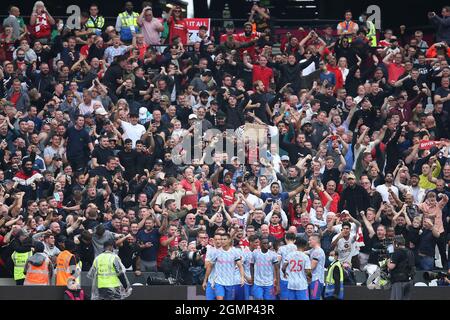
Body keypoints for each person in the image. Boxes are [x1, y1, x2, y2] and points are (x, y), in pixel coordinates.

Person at [203, 233, 244, 300]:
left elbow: (240, 266)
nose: (222, 241)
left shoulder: (235, 252)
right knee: (219, 298)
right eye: (221, 239)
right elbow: (209, 267)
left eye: (224, 239)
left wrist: (242, 278)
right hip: (219, 282)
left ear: (229, 240)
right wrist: (205, 280)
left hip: (230, 282)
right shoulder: (216, 252)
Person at [388, 236, 415, 300]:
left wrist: (388, 261)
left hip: (399, 281)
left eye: (393, 243)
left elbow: (391, 266)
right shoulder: (410, 252)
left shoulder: (397, 252)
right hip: (409, 280)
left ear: (396, 243)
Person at [277, 232, 297, 300]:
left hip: (284, 277)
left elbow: (277, 262)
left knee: (284, 297)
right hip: (296, 277)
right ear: (294, 240)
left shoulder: (281, 248)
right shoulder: (297, 248)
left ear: (285, 239)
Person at [308, 234, 326, 300]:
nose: (308, 242)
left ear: (315, 240)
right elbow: (304, 252)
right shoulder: (313, 250)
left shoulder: (318, 251)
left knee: (315, 298)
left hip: (316, 280)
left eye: (310, 240)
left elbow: (312, 267)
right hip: (313, 279)